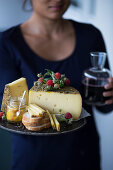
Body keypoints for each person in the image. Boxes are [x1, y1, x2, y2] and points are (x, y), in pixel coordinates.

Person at [0, 0, 113, 170]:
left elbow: (102, 106)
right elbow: (8, 112)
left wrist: (109, 95)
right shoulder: (6, 43)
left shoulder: (90, 35)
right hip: (33, 158)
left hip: (83, 154)